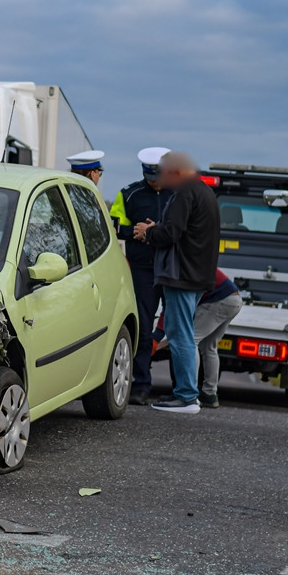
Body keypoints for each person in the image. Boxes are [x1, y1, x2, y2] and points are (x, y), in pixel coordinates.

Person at [133, 151, 221, 414]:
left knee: (180, 334)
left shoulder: (185, 194)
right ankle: (186, 394)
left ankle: (185, 396)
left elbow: (172, 233)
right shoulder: (204, 192)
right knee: (182, 333)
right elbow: (186, 231)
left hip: (181, 275)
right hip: (195, 274)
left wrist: (148, 232)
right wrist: (158, 227)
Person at [108, 147, 172, 406]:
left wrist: (155, 231)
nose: (153, 182)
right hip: (142, 269)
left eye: (157, 177)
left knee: (177, 330)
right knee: (143, 329)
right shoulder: (128, 194)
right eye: (150, 177)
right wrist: (133, 231)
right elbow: (114, 227)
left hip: (171, 269)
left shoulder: (177, 195)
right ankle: (141, 385)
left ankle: (181, 390)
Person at [152, 269, 243, 408]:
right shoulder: (197, 263)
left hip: (219, 298)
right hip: (234, 298)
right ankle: (209, 394)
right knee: (209, 346)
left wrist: (157, 336)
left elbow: (169, 308)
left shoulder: (173, 272)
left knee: (190, 340)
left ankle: (188, 393)